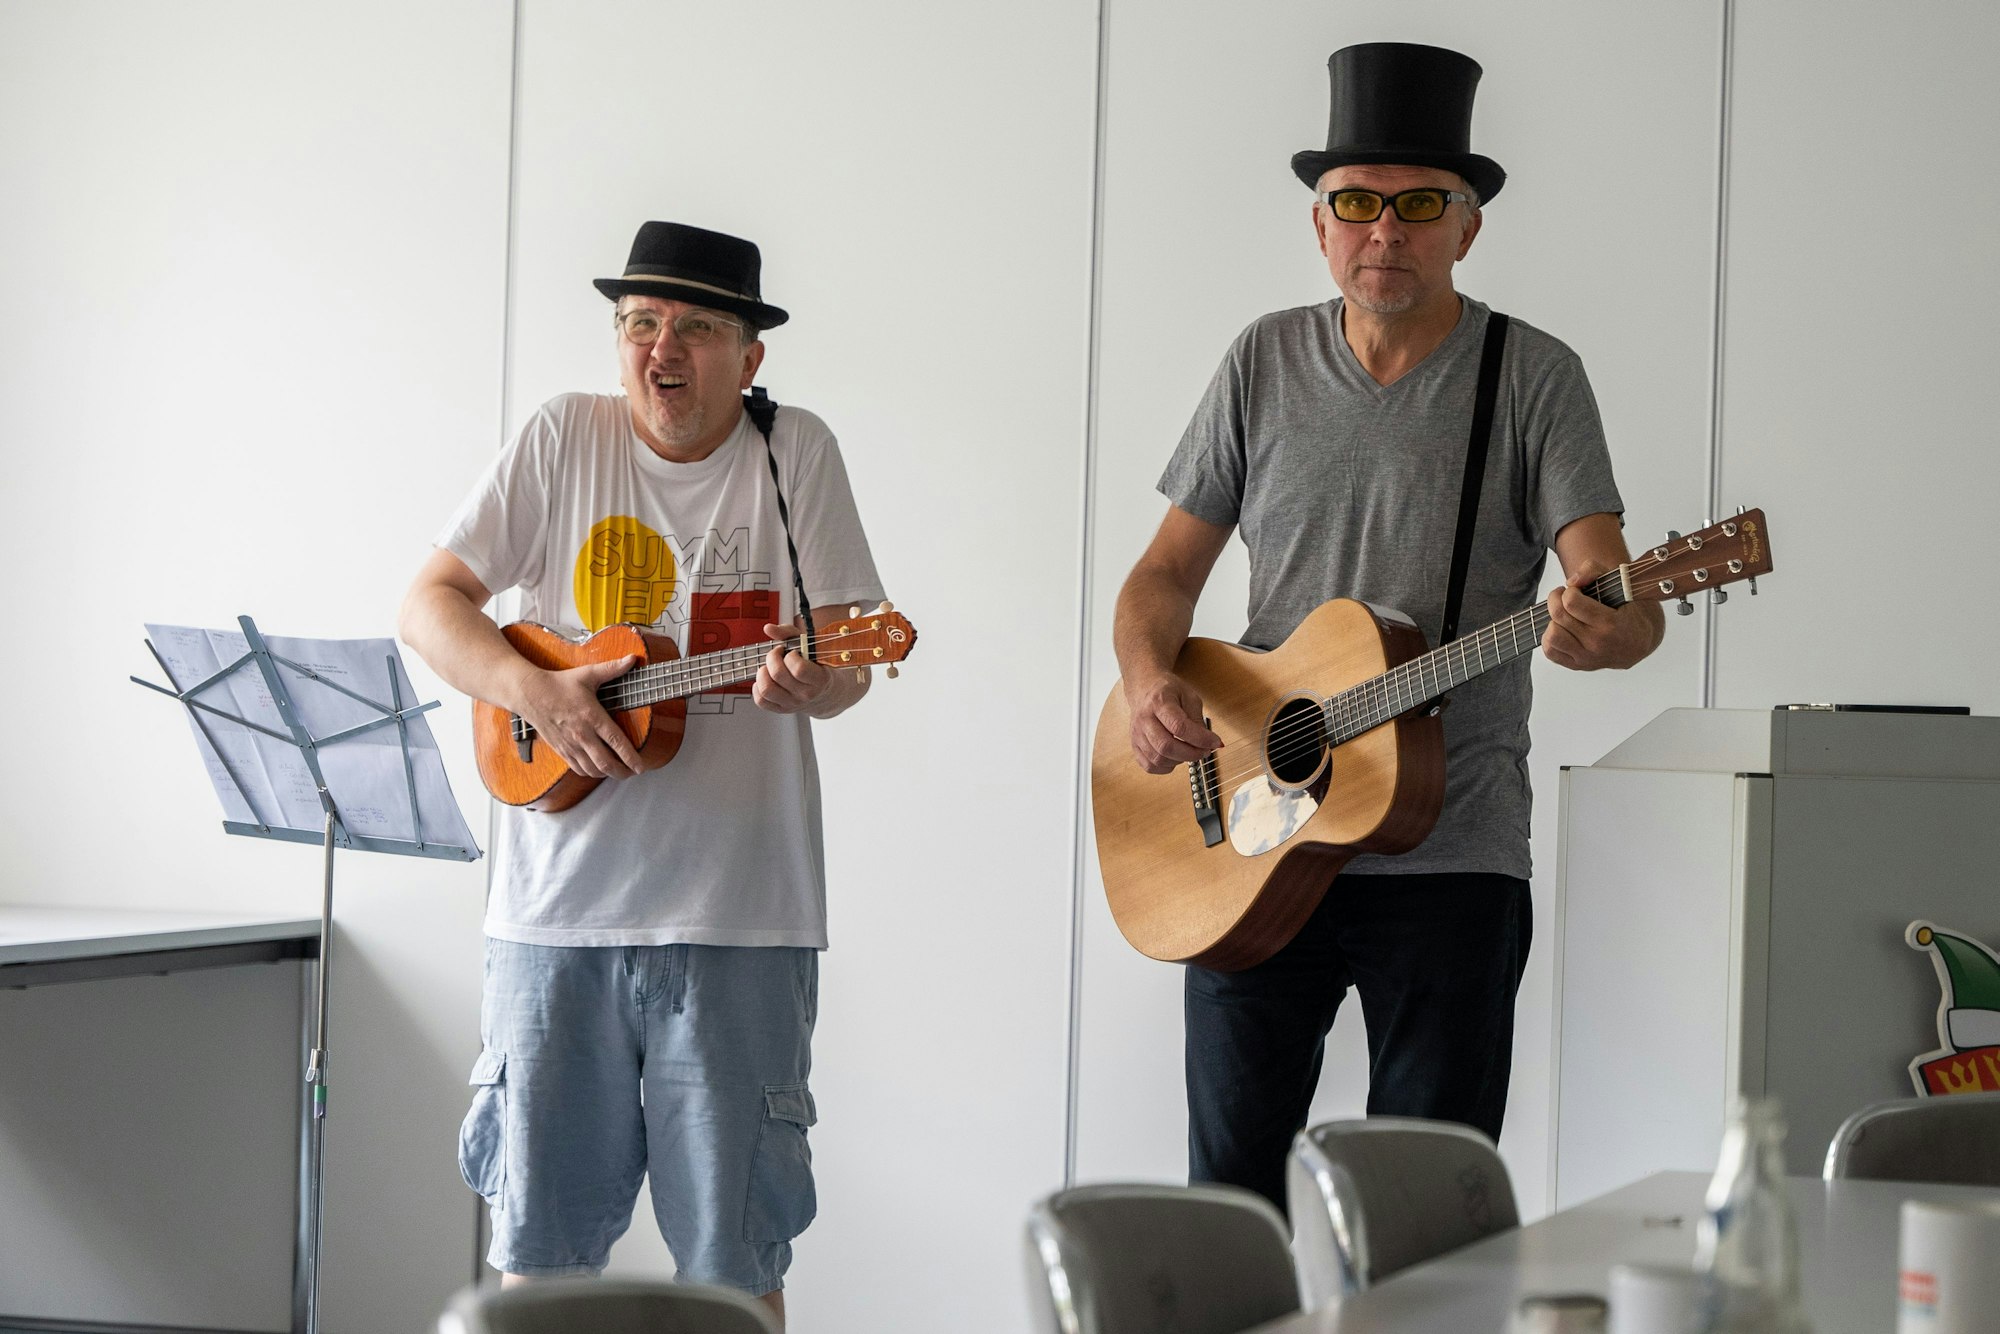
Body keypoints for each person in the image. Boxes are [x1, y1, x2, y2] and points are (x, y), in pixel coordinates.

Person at [1110, 43, 1665, 1211]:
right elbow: (1161, 574)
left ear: (1467, 228)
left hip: (1446, 846)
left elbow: (1611, 587)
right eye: (1355, 203)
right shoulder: (1261, 360)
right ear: (1319, 226)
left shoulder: (1531, 376)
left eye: (1419, 205)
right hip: (1244, 837)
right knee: (1231, 1199)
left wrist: (1604, 625)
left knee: (1426, 1207)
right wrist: (1146, 673)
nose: (1384, 232)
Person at [399, 220, 884, 1325]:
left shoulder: (792, 450)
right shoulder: (563, 437)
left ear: (748, 357)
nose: (662, 349)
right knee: (539, 1263)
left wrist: (820, 683)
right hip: (550, 925)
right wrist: (536, 692)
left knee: (734, 1265)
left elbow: (853, 644)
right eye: (640, 324)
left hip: (738, 924)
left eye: (697, 328)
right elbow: (426, 603)